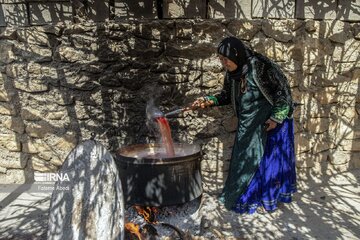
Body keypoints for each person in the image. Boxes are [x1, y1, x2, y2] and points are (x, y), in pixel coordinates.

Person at [192, 36, 296, 214]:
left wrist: (276, 118)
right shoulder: (233, 74)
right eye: (221, 59)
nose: (224, 63)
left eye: (226, 59)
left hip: (270, 124)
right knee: (246, 161)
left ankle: (267, 200)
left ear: (237, 55)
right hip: (248, 126)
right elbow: (225, 95)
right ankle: (248, 199)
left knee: (266, 163)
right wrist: (209, 100)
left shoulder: (260, 68)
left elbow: (283, 93)